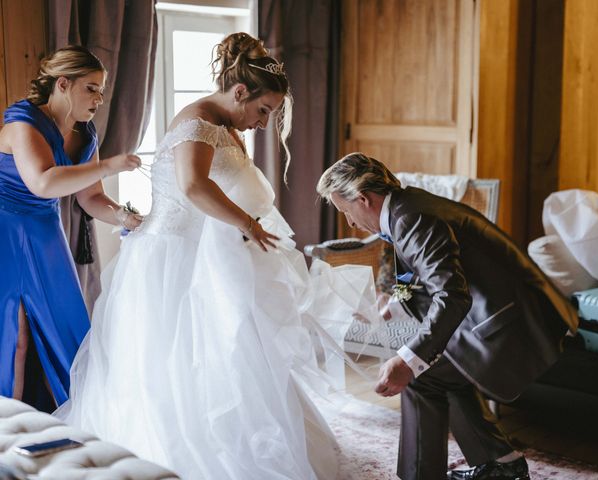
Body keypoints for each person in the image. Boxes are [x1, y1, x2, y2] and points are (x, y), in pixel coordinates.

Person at [56, 32, 373, 480]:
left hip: (208, 258)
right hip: (170, 261)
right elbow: (192, 187)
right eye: (262, 110)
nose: (264, 124)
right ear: (239, 92)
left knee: (233, 354)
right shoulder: (197, 121)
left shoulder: (225, 127)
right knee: (181, 362)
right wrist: (246, 223)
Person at [317, 152, 579, 480]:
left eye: (346, 212)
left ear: (362, 199)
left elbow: (451, 295)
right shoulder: (406, 207)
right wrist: (394, 305)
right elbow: (440, 278)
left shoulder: (410, 217)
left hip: (513, 325)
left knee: (421, 373)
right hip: (501, 316)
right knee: (435, 365)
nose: (351, 223)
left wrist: (407, 361)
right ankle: (501, 464)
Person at [0, 45, 142, 411]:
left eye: (102, 90)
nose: (99, 98)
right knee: (11, 338)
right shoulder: (22, 124)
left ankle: (84, 417)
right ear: (63, 84)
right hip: (4, 227)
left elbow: (90, 197)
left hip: (45, 230)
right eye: (91, 88)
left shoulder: (85, 135)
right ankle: (7, 434)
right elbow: (44, 183)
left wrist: (126, 217)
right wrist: (110, 165)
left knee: (70, 330)